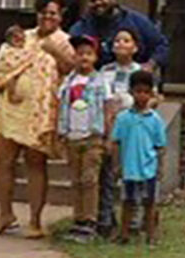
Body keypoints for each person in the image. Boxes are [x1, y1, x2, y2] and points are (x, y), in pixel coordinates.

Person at [0, 0, 75, 240]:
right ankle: (5, 214)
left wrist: (54, 50)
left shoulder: (65, 41)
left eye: (53, 13)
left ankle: (34, 221)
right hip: (9, 108)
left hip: (39, 112)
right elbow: (1, 64)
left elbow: (72, 68)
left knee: (35, 163)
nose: (48, 17)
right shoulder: (21, 37)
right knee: (2, 160)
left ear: (61, 15)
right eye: (43, 12)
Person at [57, 35, 112, 242]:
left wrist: (107, 135)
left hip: (92, 137)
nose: (84, 58)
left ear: (96, 57)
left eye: (88, 54)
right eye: (80, 54)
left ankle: (90, 220)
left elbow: (107, 109)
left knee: (90, 180)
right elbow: (60, 107)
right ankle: (77, 219)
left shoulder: (101, 81)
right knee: (76, 180)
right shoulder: (68, 81)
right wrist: (60, 134)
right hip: (72, 136)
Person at [94, 28, 144, 236]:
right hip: (109, 128)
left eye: (126, 40)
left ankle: (133, 219)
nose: (120, 44)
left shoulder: (140, 72)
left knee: (131, 175)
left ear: (135, 47)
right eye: (117, 40)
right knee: (107, 174)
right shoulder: (105, 71)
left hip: (133, 130)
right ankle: (105, 218)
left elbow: (147, 100)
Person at [110, 69, 167, 245]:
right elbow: (116, 142)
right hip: (129, 169)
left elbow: (161, 146)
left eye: (145, 92)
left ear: (151, 94)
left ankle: (151, 234)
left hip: (148, 168)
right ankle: (124, 234)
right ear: (131, 92)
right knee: (128, 202)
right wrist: (116, 165)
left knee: (149, 203)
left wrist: (160, 167)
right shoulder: (123, 118)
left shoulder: (155, 119)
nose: (141, 96)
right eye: (137, 91)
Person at [69, 0, 169, 72]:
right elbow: (71, 53)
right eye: (93, 0)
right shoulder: (81, 28)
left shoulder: (137, 21)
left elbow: (161, 45)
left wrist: (150, 65)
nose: (98, 3)